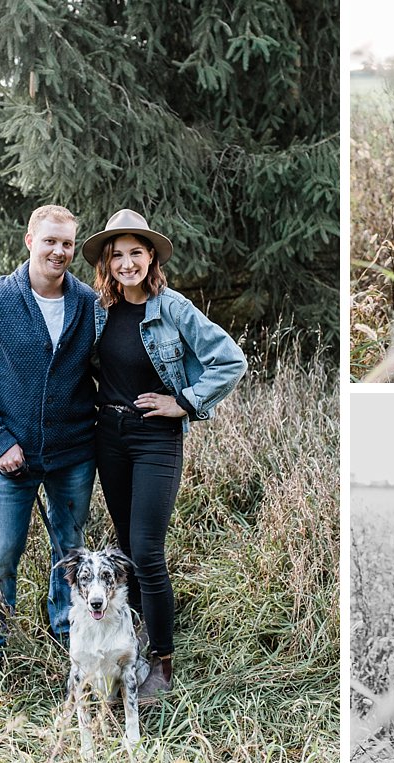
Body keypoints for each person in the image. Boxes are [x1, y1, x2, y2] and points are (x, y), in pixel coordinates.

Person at [82, 208, 247, 698]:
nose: (127, 263)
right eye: (118, 255)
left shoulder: (171, 307)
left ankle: (162, 664)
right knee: (127, 550)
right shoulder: (97, 309)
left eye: (136, 252)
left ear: (151, 256)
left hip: (154, 438)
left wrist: (185, 402)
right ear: (107, 263)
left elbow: (229, 360)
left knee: (148, 553)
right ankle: (127, 643)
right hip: (107, 437)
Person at [0, 204, 98, 697]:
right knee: (2, 552)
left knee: (70, 550)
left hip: (73, 454)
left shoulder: (88, 303)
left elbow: (105, 370)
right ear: (30, 240)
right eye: (51, 241)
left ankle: (69, 637)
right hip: (8, 460)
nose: (60, 251)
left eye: (68, 243)